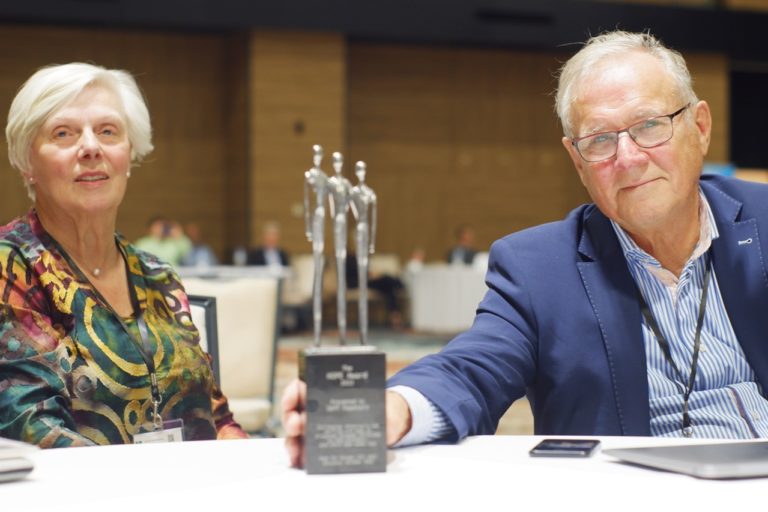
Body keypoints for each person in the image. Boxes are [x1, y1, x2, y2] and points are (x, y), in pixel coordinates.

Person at [283, 30, 768, 466]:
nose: (628, 158)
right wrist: (391, 409)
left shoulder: (762, 222)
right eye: (599, 140)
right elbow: (473, 368)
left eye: (649, 126)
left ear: (699, 127)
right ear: (576, 161)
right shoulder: (540, 268)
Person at [0, 63, 248, 447]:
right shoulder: (12, 267)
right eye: (63, 133)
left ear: (129, 154)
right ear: (26, 162)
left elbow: (214, 414)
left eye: (107, 131)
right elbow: (34, 430)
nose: (90, 147)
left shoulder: (157, 275)